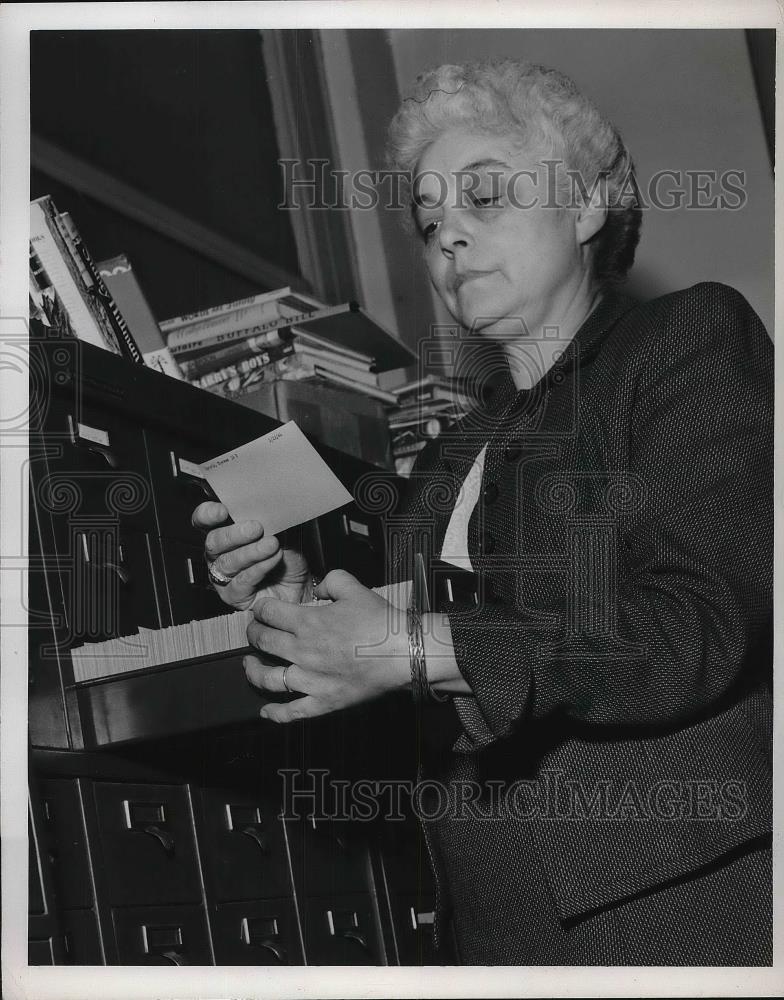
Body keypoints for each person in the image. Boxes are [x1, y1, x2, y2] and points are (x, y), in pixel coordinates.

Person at [193, 60, 772, 965]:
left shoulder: (686, 338)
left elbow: (693, 628)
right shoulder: (449, 457)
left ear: (585, 207)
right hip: (482, 918)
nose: (449, 237)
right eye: (429, 223)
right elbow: (400, 667)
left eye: (486, 198)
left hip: (667, 897)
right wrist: (299, 602)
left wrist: (415, 646)